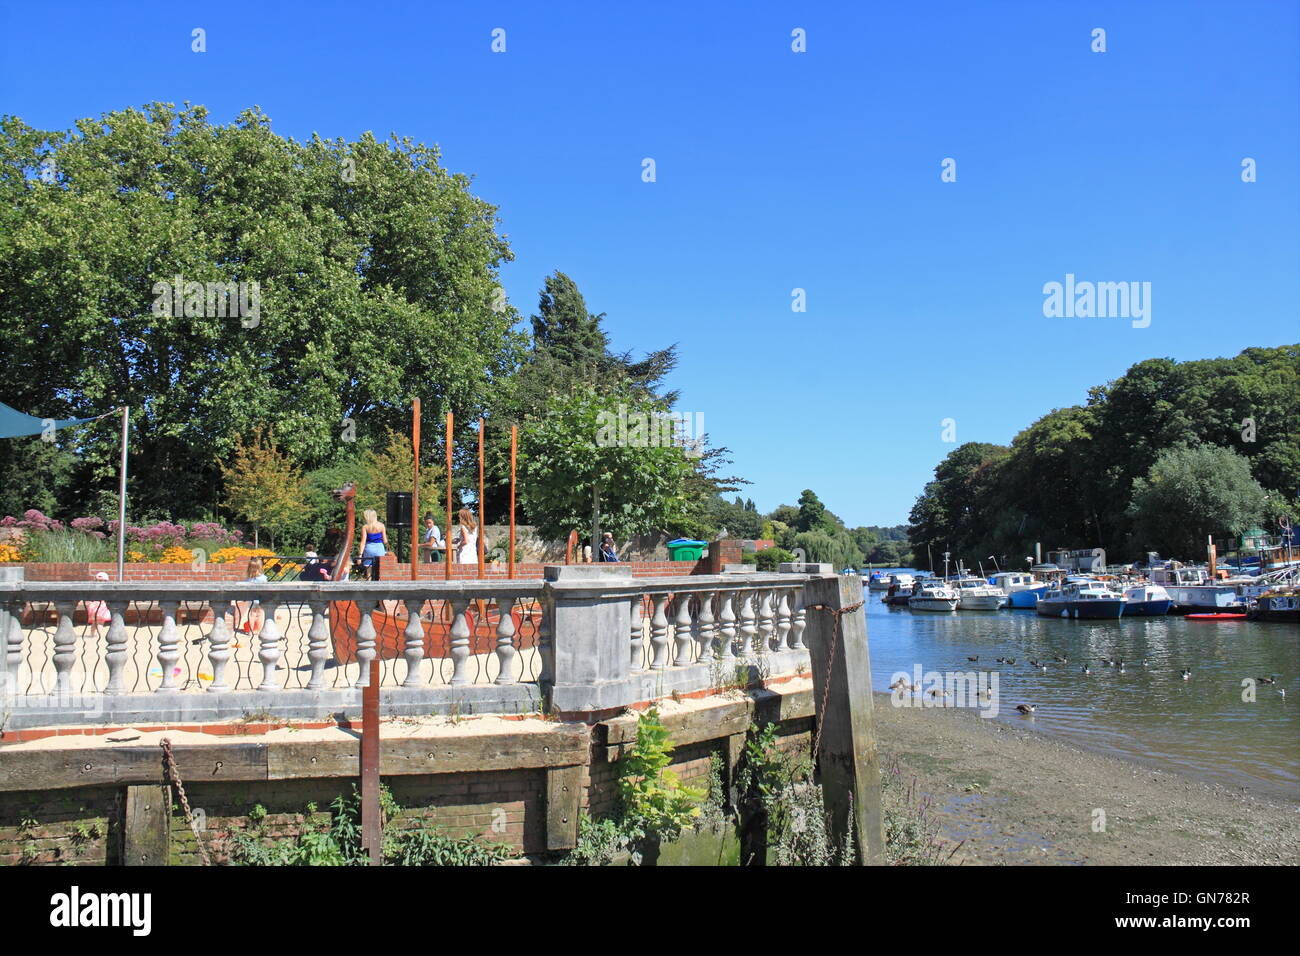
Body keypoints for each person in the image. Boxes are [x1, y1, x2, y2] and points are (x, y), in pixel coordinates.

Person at [236, 556, 268, 634]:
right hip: (261, 599)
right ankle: (259, 630)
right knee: (260, 614)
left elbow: (241, 585)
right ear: (260, 567)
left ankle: (250, 631)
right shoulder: (263, 578)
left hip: (251, 599)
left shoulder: (248, 579)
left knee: (252, 614)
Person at [359, 509, 388, 580]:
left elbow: (363, 542)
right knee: (380, 569)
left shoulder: (365, 527)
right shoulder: (381, 525)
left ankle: (369, 583)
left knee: (369, 571)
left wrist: (360, 555)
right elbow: (385, 541)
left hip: (369, 548)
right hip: (379, 548)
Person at [84, 570, 112, 637]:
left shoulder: (93, 587)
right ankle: (98, 635)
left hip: (93, 607)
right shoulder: (106, 588)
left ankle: (92, 634)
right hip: (101, 607)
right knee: (100, 622)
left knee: (94, 622)